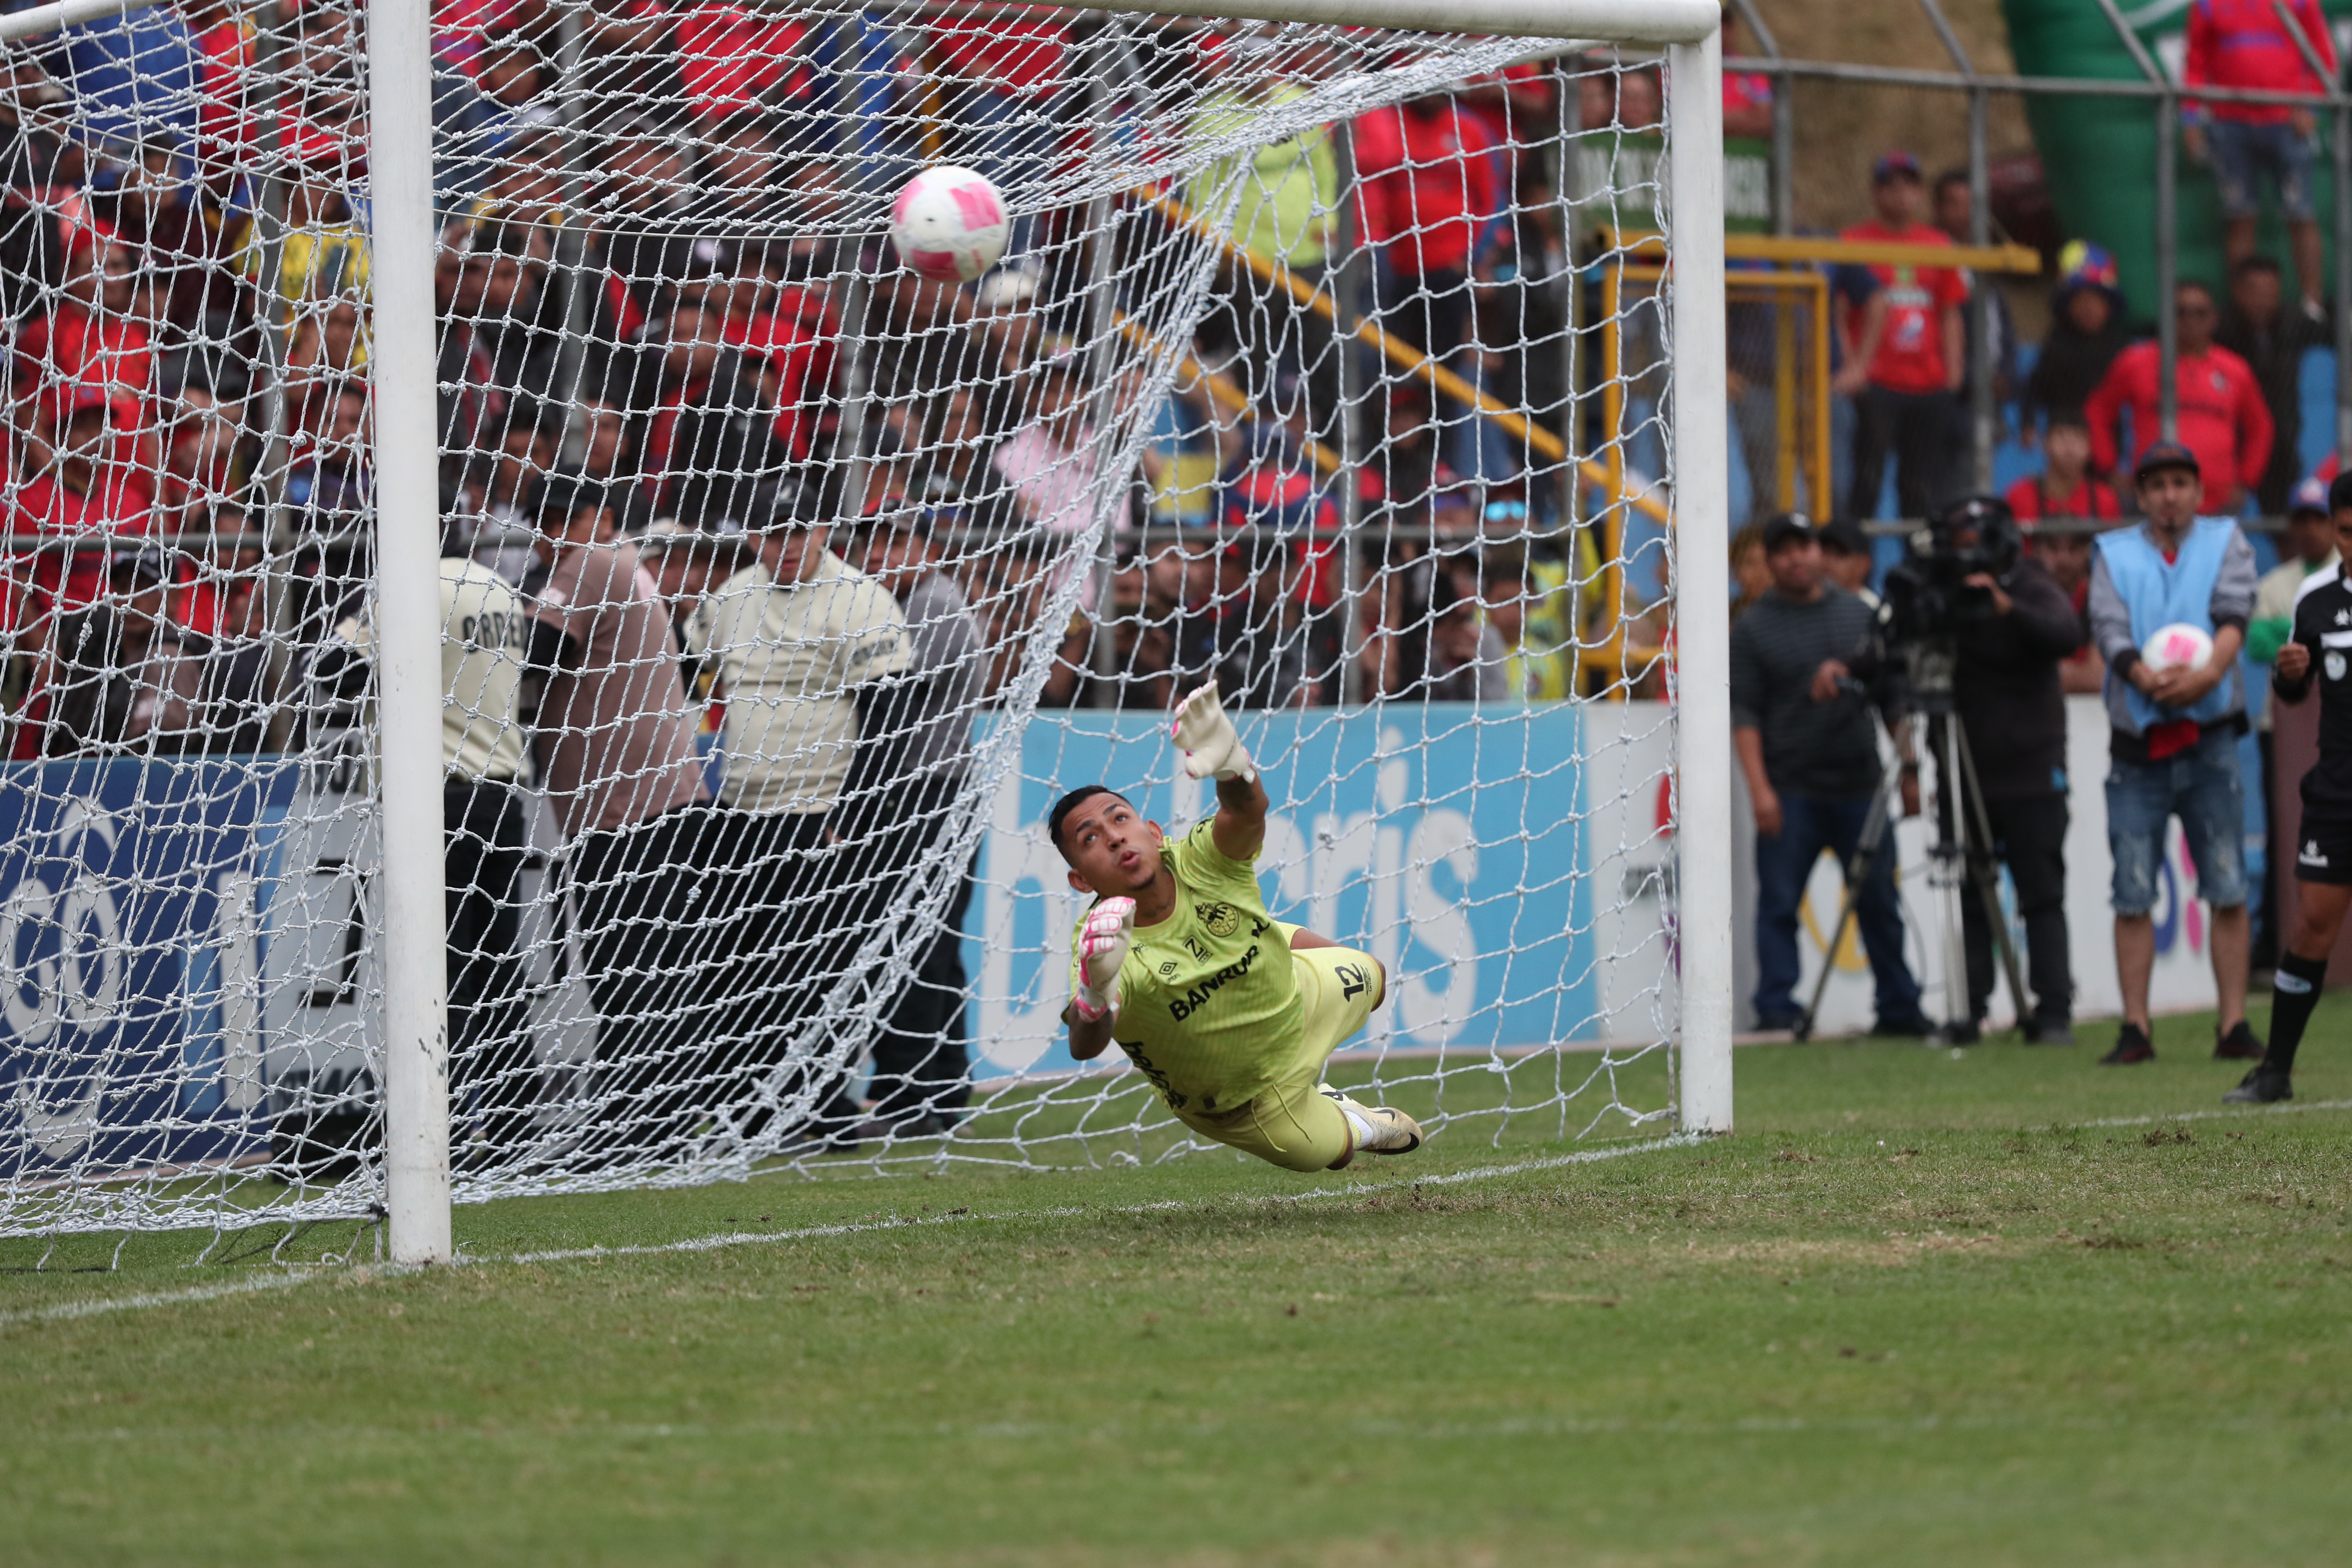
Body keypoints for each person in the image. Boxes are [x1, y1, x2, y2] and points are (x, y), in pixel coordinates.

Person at [1055, 683, 1421, 1172]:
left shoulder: (1201, 860)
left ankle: (1269, 945)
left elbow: (1246, 809)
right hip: (1244, 1100)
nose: (1115, 836)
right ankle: (1355, 1119)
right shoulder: (1104, 946)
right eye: (1091, 838)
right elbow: (1085, 1045)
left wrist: (1233, 765)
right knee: (1325, 1156)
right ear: (1080, 880)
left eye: (1120, 818)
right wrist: (1096, 996)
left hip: (1294, 999)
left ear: (1155, 833)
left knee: (1372, 975)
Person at [685, 484, 911, 1148]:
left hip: (821, 809)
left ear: (823, 531)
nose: (783, 547)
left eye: (797, 532)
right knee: (745, 969)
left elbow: (891, 717)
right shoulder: (728, 598)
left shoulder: (863, 599)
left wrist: (858, 811)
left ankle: (827, 1111)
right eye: (770, 532)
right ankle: (754, 1113)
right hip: (741, 810)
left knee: (822, 970)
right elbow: (679, 670)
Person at [315, 545, 538, 1156]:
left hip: (438, 801)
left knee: (440, 973)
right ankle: (513, 1121)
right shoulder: (501, 586)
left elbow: (334, 671)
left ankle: (448, 1122)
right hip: (503, 796)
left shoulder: (412, 589)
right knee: (498, 966)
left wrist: (358, 621)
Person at [524, 473, 717, 1165]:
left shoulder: (593, 562)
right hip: (661, 792)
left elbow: (533, 656)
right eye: (540, 521)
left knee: (623, 963)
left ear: (600, 517)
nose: (551, 536)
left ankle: (636, 1128)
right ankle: (657, 1123)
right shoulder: (629, 568)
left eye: (564, 519)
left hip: (624, 802)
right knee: (654, 962)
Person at [2085, 441, 2266, 1065]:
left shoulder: (2227, 541)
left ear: (2198, 490)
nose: (2170, 495)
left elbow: (2235, 611)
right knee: (2132, 889)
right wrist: (2141, 677)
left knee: (2227, 882)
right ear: (2142, 494)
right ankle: (2137, 1028)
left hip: (2210, 732)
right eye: (2157, 484)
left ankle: (2234, 1025)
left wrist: (2209, 673)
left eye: (2181, 483)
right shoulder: (2113, 551)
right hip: (2138, 741)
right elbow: (2107, 627)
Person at [1730, 513, 1929, 1035]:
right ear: (1771, 562)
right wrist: (1760, 791)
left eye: (1806, 546)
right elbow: (1745, 717)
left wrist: (1908, 772)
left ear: (1820, 553)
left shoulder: (1858, 615)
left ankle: (1899, 1005)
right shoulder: (1752, 628)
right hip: (1791, 786)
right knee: (1779, 904)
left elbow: (1892, 699)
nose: (1798, 557)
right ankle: (1777, 1007)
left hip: (1861, 783)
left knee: (1880, 900)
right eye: (1785, 549)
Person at [848, 511, 986, 1139]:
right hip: (936, 795)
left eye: (897, 538)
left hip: (926, 796)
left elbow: (883, 696)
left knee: (914, 949)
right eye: (873, 540)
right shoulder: (924, 600)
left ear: (928, 546)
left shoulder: (930, 605)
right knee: (934, 947)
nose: (881, 553)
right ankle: (944, 1091)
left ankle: (909, 1097)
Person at [1938, 497, 2087, 1044]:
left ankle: (2052, 1012)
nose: (1970, 556)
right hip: (1966, 771)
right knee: (1972, 897)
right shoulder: (1944, 589)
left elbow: (2066, 635)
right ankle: (1970, 1010)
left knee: (2041, 896)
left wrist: (2006, 607)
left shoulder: (2031, 584)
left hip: (2032, 771)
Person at [2231, 472, 2352, 1101]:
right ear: (2335, 531)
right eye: (2348, 532)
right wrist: (2287, 673)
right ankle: (2276, 1071)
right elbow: (2295, 690)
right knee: (2310, 929)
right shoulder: (2315, 598)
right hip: (2337, 790)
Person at [1836, 151, 1968, 523]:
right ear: (1875, 193)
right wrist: (1852, 366)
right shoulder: (1852, 242)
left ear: (1920, 194)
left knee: (1920, 486)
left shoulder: (1938, 246)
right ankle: (1856, 564)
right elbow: (1839, 312)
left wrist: (1953, 371)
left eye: (1909, 185)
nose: (1899, 194)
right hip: (1875, 383)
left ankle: (1918, 568)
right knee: (1866, 480)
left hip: (1927, 383)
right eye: (1889, 185)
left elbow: (1949, 312)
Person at [2184, 0, 2335, 315]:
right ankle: (2245, 309)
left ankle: (2312, 306)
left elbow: (2321, 53)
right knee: (2240, 218)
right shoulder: (2208, 5)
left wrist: (2311, 107)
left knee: (2302, 214)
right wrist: (2190, 119)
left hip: (2288, 122)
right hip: (2230, 124)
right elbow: (2195, 61)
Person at [2086, 280, 2272, 518]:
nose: (2190, 320)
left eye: (2200, 313)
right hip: (2151, 499)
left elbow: (2261, 428)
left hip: (2215, 502)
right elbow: (2098, 412)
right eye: (2180, 312)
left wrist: (2246, 482)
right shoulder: (2135, 362)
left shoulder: (2235, 369)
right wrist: (2110, 470)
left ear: (2215, 318)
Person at [2250, 475, 2339, 967]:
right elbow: (2262, 644)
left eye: (2319, 519)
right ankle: (2275, 940)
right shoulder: (2277, 583)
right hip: (2282, 730)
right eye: (2301, 519)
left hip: (2338, 728)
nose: (2310, 529)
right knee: (2287, 830)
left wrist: (2303, 640)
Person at [2216, 255, 2327, 516]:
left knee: (2289, 523)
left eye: (2271, 292)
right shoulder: (2220, 330)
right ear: (2237, 292)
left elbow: (2334, 333)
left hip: (2283, 440)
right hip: (2232, 444)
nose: (2263, 300)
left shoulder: (2294, 323)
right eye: (2254, 291)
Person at [2021, 242, 2132, 444]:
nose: (2089, 309)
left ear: (2109, 308)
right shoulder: (2056, 347)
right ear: (2068, 308)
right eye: (2081, 301)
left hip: (2109, 439)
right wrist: (2029, 422)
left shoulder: (2121, 349)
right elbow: (2035, 388)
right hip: (2064, 435)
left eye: (2096, 302)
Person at [2006, 410, 2120, 527]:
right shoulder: (2020, 497)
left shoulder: (2105, 501)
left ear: (2090, 448)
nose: (2070, 447)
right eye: (2061, 436)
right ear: (2046, 444)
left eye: (2078, 437)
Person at [1817, 518, 1877, 604]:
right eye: (1824, 552)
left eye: (1841, 554)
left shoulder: (1878, 613)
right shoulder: (1801, 607)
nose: (1829, 561)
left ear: (1864, 563)